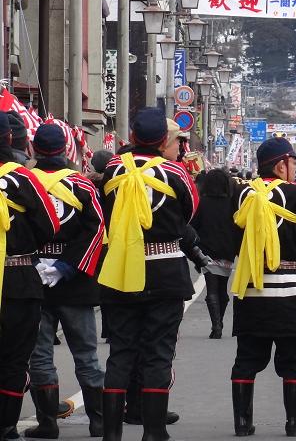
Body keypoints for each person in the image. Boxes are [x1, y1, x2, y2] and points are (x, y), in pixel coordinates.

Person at [98, 108, 202, 441]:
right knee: (158, 350)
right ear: (162, 140)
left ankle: (112, 432)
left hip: (120, 267)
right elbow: (190, 210)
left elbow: (102, 208)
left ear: (131, 137)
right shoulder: (175, 172)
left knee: (121, 351)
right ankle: (154, 431)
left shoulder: (113, 168)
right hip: (164, 269)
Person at [229, 136, 296, 437]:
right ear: (281, 165)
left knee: (246, 360)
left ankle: (242, 424)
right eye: (293, 161)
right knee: (294, 360)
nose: (295, 167)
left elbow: (232, 235)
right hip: (291, 290)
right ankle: (293, 424)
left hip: (252, 288)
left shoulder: (243, 195)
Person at [22, 125, 106, 439]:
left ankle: (48, 423)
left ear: (34, 149)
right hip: (76, 282)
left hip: (32, 275)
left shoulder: (24, 183)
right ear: (66, 150)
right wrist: (67, 266)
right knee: (86, 353)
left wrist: (34, 260)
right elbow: (97, 230)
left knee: (40, 353)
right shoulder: (82, 184)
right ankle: (98, 421)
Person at [0, 112, 61, 441]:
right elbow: (50, 226)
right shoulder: (23, 178)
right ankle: (6, 426)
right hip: (18, 275)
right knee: (13, 357)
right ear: (11, 140)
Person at [191, 168, 239, 339]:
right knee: (222, 289)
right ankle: (220, 321)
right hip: (227, 250)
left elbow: (193, 226)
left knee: (211, 288)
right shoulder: (232, 204)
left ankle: (216, 326)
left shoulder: (202, 203)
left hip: (207, 251)